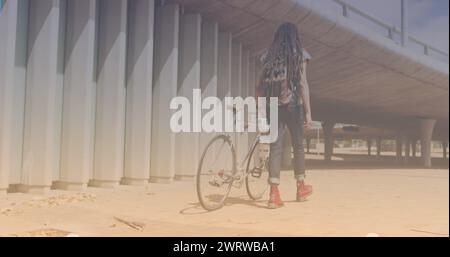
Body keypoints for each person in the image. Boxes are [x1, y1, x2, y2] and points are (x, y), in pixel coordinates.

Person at [256, 22, 313, 209]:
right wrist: (308, 114)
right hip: (293, 105)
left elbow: (259, 86)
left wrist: (260, 109)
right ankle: (301, 187)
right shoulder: (299, 54)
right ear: (294, 36)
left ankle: (273, 193)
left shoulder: (268, 56)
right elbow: (303, 84)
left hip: (273, 106)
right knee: (298, 145)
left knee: (275, 147)